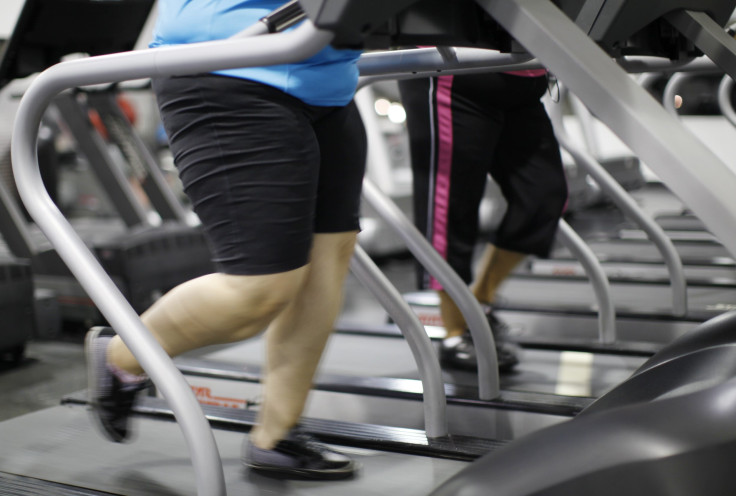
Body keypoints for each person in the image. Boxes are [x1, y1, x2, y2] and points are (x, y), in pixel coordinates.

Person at [85, 0, 366, 480]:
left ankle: (275, 435)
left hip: (327, 72)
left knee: (327, 260)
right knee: (259, 288)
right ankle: (121, 355)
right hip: (230, 66)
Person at [398, 69, 568, 372]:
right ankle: (455, 333)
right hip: (456, 75)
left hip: (523, 79)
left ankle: (479, 303)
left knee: (545, 195)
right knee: (450, 211)